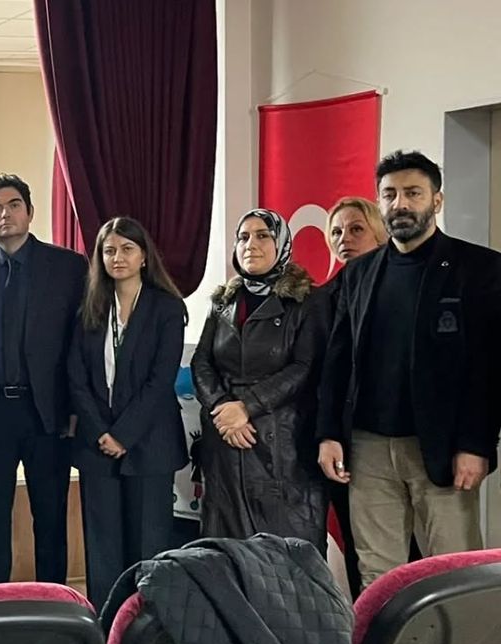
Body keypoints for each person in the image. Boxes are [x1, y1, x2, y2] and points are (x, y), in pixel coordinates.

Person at [318, 150, 501, 588]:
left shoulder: (479, 268)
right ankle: (387, 639)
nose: (400, 203)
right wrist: (328, 433)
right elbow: (338, 361)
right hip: (368, 447)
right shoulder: (359, 273)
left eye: (413, 193)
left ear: (437, 200)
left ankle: (459, 640)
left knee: (454, 570)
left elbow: (489, 367)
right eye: (390, 194)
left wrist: (475, 443)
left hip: (440, 446)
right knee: (377, 574)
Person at [0, 174, 87, 587]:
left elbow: (81, 342)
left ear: (29, 212)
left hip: (47, 410)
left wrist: (77, 406)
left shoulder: (68, 268)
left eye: (12, 205)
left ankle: (53, 599)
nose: (4, 214)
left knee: (50, 513)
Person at [66, 216, 187, 608]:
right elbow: (76, 376)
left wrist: (123, 434)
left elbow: (160, 380)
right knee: (102, 548)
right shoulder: (90, 307)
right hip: (96, 443)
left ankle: (147, 624)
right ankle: (106, 624)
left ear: (144, 256)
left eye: (126, 249)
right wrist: (101, 430)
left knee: (148, 546)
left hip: (149, 443)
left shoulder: (167, 308)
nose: (117, 257)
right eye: (109, 250)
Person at [193, 209, 329, 552]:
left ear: (281, 244)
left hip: (281, 443)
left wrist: (247, 407)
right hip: (224, 440)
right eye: (243, 237)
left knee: (285, 554)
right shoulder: (223, 302)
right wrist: (222, 407)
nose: (250, 244)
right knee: (227, 552)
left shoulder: (307, 300)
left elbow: (304, 366)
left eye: (262, 235)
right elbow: (202, 362)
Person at [321, 196, 388, 599]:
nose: (344, 238)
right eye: (336, 231)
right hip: (344, 442)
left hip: (403, 442)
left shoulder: (401, 287)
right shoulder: (321, 299)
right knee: (359, 546)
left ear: (380, 233)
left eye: (356, 229)